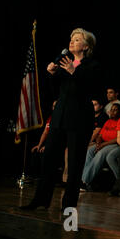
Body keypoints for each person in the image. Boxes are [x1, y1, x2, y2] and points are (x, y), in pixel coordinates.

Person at [21, 28, 101, 211]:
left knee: (74, 163)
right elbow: (54, 90)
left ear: (86, 46)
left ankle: (69, 205)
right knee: (48, 159)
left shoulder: (92, 66)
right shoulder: (65, 62)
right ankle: (41, 200)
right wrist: (51, 74)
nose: (72, 42)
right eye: (71, 38)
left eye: (77, 39)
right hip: (60, 117)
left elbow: (91, 89)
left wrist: (75, 72)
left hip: (80, 120)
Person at [81, 103, 120, 191]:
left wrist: (102, 145)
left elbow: (117, 138)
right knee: (90, 151)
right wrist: (98, 143)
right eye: (111, 109)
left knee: (100, 153)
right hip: (103, 143)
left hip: (114, 144)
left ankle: (85, 181)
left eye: (115, 110)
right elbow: (100, 135)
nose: (112, 112)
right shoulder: (108, 121)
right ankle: (85, 179)